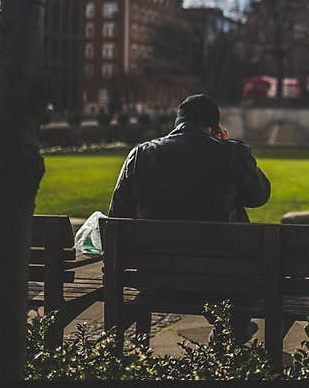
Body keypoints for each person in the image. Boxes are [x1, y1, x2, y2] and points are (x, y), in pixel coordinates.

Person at [108, 93, 271, 342]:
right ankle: (231, 330)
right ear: (215, 126)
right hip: (223, 278)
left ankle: (230, 330)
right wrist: (226, 149)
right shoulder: (232, 154)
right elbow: (259, 196)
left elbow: (117, 216)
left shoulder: (140, 154)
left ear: (178, 122)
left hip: (155, 275)